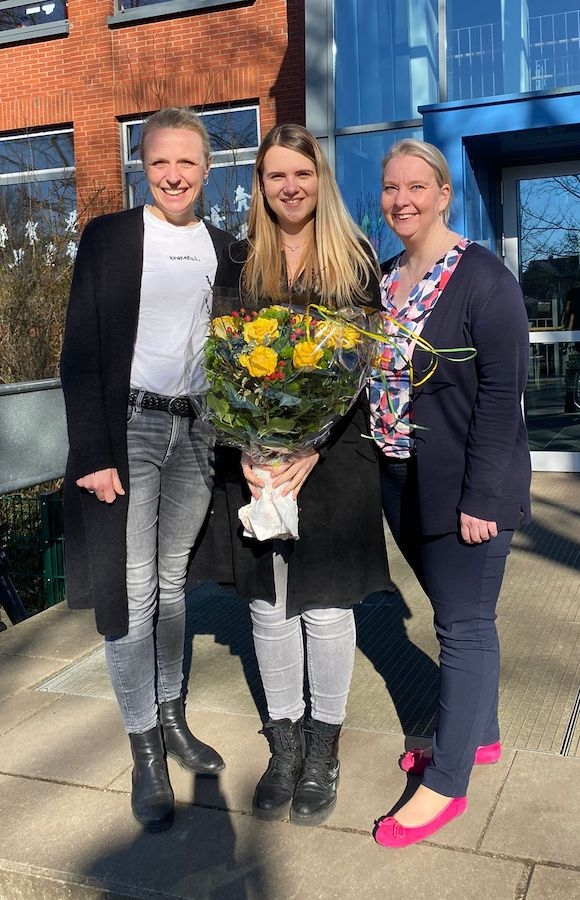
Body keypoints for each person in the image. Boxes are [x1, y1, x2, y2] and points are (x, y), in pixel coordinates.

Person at [60, 107, 234, 833]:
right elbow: (79, 349)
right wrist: (93, 452)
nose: (174, 175)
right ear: (144, 164)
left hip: (195, 432)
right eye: (161, 162)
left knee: (168, 583)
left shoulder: (225, 247)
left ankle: (171, 719)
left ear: (206, 168)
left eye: (187, 163)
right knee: (130, 590)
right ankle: (143, 750)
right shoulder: (109, 237)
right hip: (126, 429)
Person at [212, 124, 391, 827]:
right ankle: (283, 743)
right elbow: (219, 357)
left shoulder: (353, 258)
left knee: (323, 605)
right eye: (276, 175)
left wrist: (308, 444)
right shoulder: (240, 258)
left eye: (302, 174)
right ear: (260, 184)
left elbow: (360, 364)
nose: (290, 187)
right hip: (253, 461)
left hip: (333, 456)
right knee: (267, 605)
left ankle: (325, 747)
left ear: (320, 180)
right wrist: (251, 448)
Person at [369, 139, 532, 848]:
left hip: (466, 487)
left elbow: (503, 396)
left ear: (443, 194)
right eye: (390, 187)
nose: (401, 199)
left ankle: (447, 784)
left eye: (416, 186)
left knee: (461, 626)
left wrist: (482, 499)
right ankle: (480, 736)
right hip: (401, 478)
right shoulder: (383, 278)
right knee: (458, 614)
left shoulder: (484, 278)